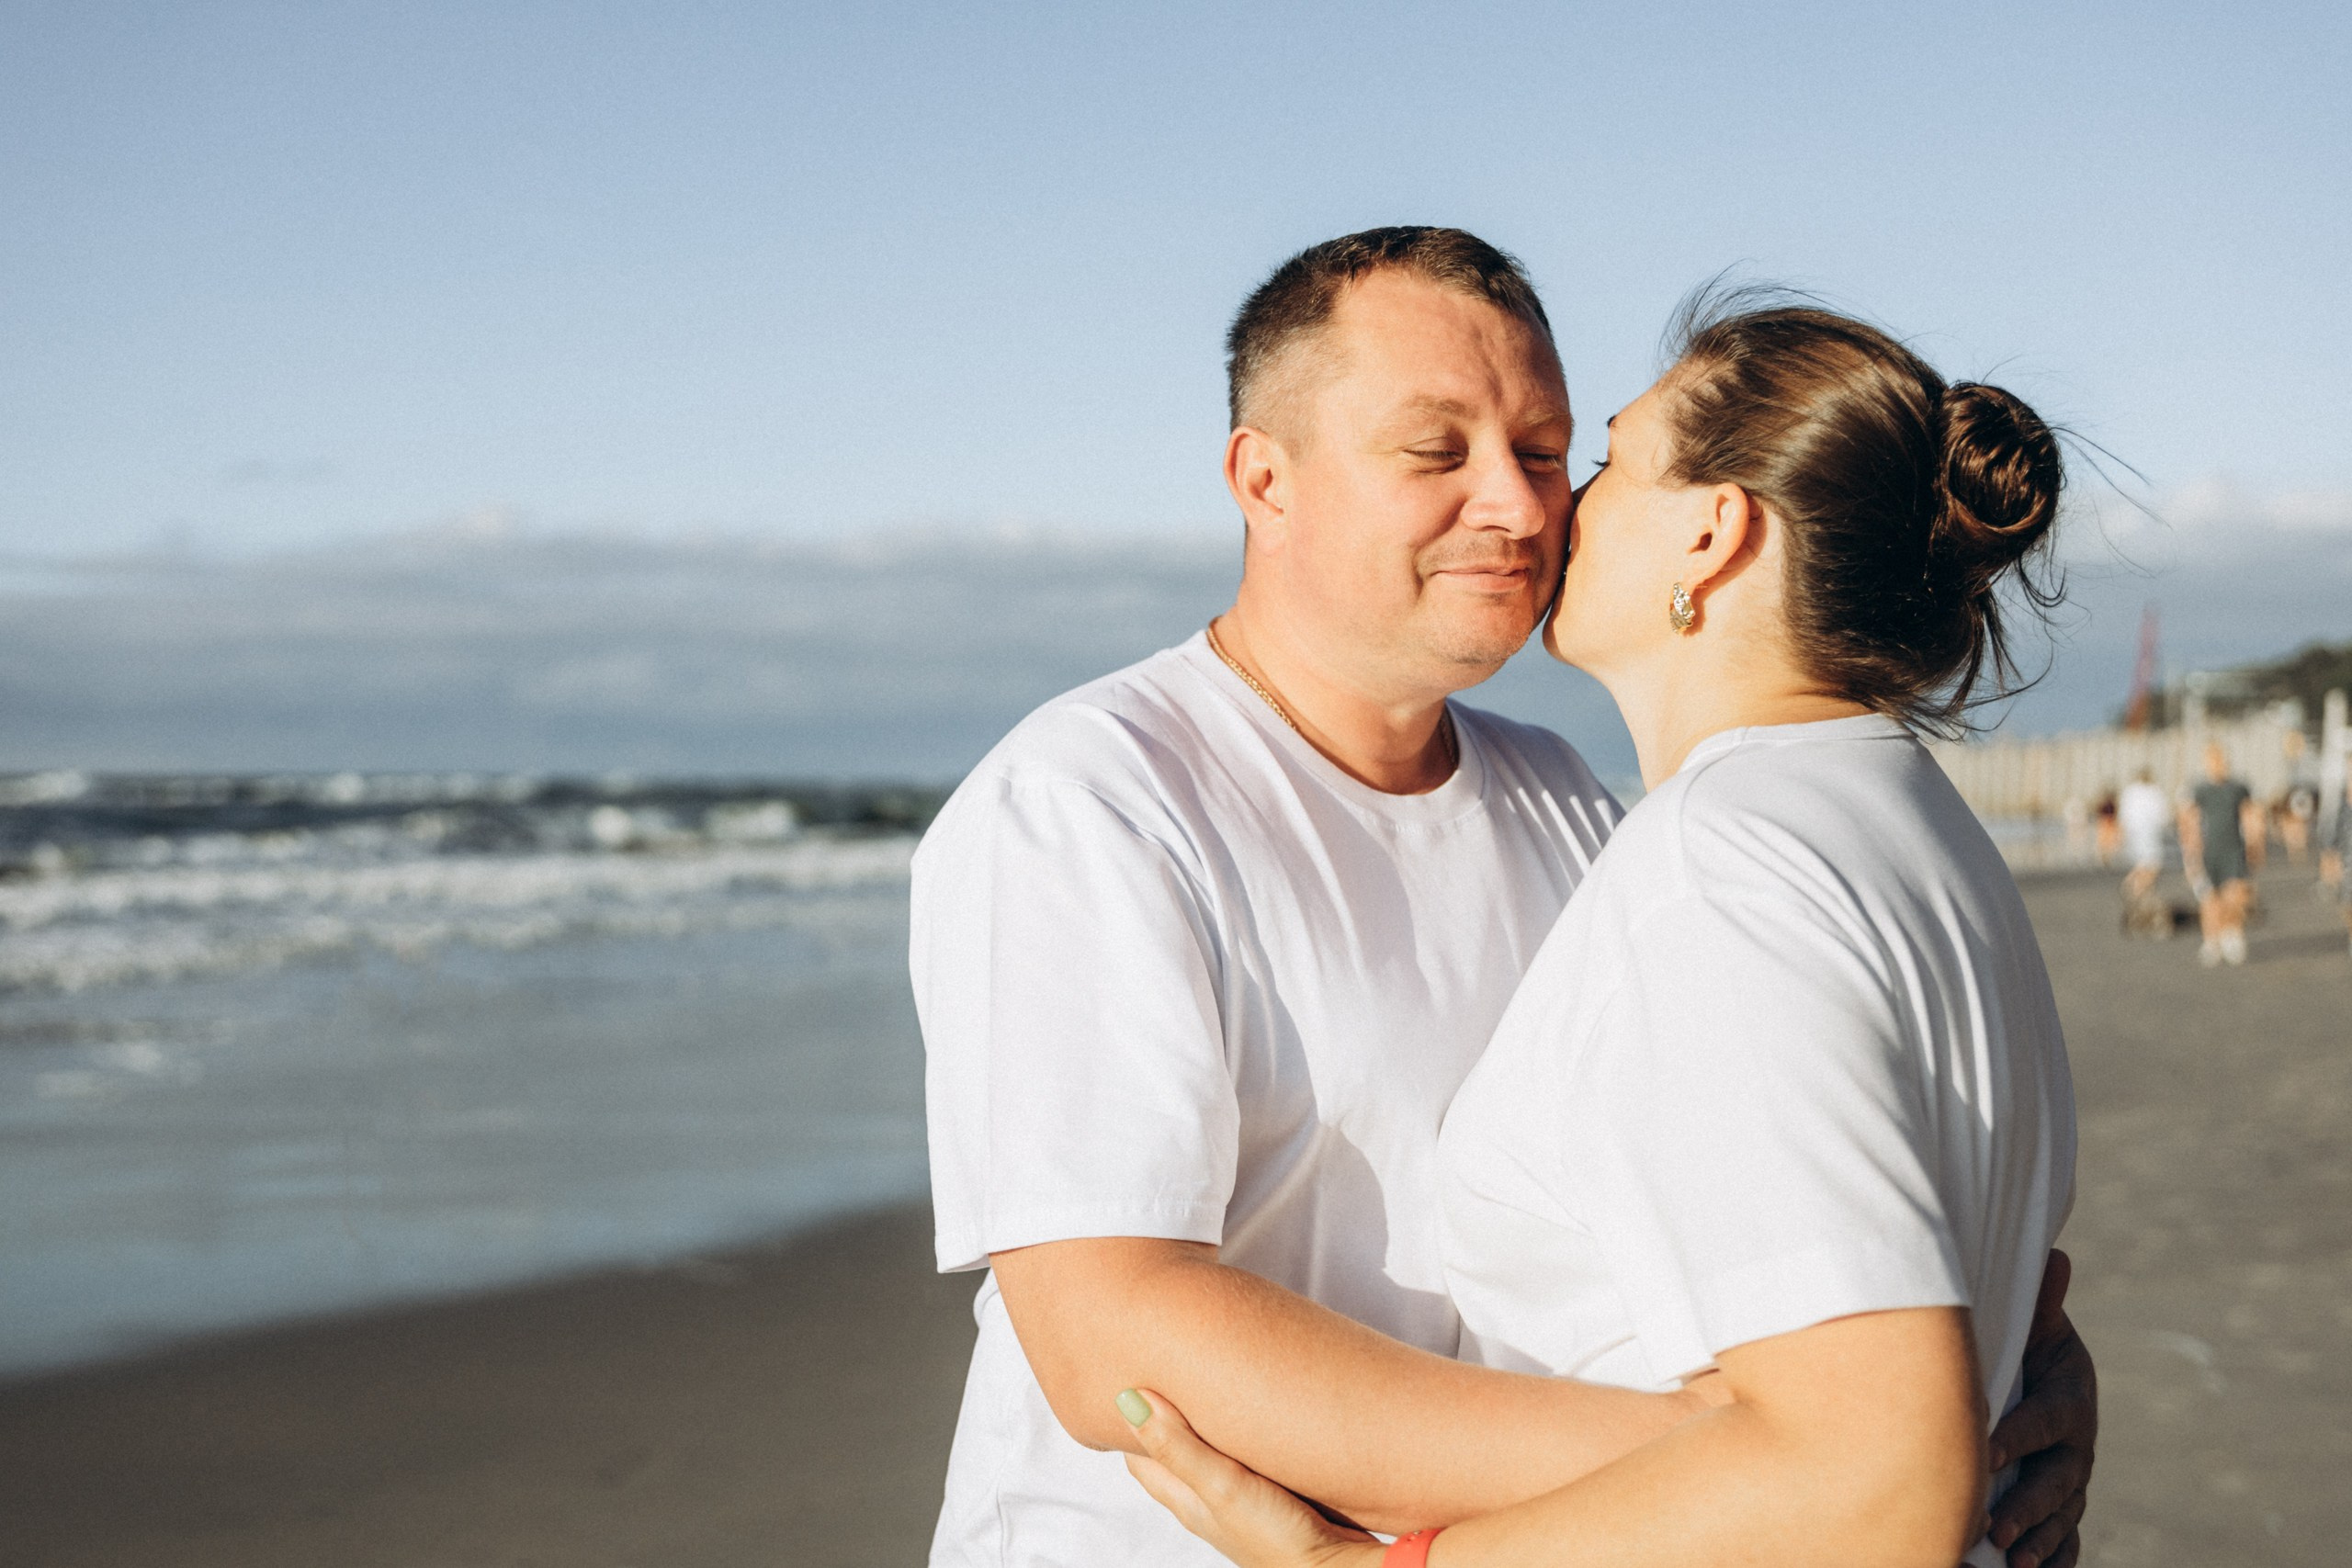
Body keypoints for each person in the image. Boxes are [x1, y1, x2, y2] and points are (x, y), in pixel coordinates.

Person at [913, 230, 2096, 1568]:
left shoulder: (1576, 803)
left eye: (1546, 452)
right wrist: (1792, 1460)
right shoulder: (1090, 803)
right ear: (1264, 479)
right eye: (1437, 451)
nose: (1525, 508)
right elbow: (1112, 1337)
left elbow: (1797, 1182)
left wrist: (2006, 1372)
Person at [2179, 742, 2253, 966]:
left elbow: (2250, 815)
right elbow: (2188, 822)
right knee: (2209, 900)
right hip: (2207, 852)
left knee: (2235, 896)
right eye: (2213, 762)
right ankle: (2211, 941)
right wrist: (2190, 855)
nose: (2218, 766)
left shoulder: (2238, 788)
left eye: (2221, 761)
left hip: (2233, 850)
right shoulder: (2199, 790)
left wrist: (2255, 845)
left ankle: (2232, 934)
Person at [2117, 767, 2168, 903]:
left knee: (2141, 864)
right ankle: (2139, 890)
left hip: (2133, 833)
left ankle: (2135, 887)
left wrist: (2121, 834)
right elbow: (2162, 815)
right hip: (2150, 832)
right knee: (2152, 865)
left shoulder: (2130, 791)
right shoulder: (2155, 791)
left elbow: (2123, 815)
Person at [2322, 775, 2352, 957]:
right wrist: (2329, 867)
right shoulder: (2340, 807)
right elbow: (2331, 841)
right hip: (2347, 865)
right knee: (2348, 905)